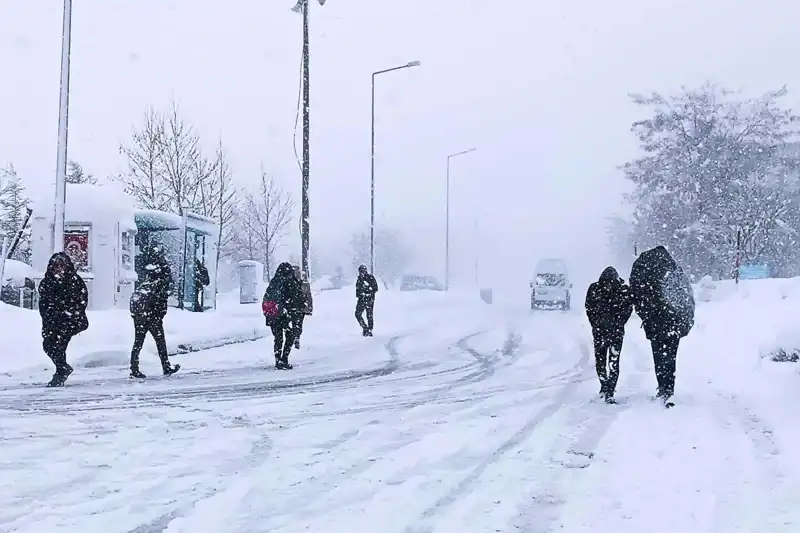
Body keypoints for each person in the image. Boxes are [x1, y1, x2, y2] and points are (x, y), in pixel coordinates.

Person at [629, 245, 695, 406]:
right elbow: (687, 297)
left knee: (658, 356)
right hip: (674, 324)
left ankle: (662, 386)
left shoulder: (646, 273)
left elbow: (637, 297)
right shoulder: (674, 271)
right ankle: (669, 389)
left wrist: (646, 316)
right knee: (670, 357)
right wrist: (685, 321)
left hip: (655, 324)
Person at [37, 252, 89, 387]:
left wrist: (71, 313)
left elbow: (82, 300)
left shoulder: (74, 281)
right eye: (56, 266)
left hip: (70, 321)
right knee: (48, 345)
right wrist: (48, 317)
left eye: (62, 266)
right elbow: (43, 303)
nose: (59, 269)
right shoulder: (47, 282)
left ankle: (60, 373)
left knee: (59, 345)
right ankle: (62, 368)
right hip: (52, 321)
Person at [129, 246, 180, 379]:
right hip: (152, 317)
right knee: (160, 342)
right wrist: (159, 315)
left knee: (138, 342)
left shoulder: (147, 281)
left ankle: (134, 368)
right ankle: (166, 366)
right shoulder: (160, 282)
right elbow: (160, 300)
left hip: (141, 316)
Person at [585, 266, 633, 403]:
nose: (607, 286)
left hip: (615, 333)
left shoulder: (623, 291)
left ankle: (610, 391)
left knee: (613, 362)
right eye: (605, 283)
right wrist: (596, 324)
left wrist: (619, 323)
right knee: (600, 362)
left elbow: (628, 309)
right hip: (599, 332)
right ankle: (604, 385)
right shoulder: (594, 289)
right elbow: (589, 308)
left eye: (610, 283)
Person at [262, 262, 304, 369]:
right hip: (284, 314)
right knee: (290, 336)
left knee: (278, 338)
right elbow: (294, 298)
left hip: (273, 314)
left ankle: (277, 360)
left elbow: (267, 298)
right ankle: (284, 359)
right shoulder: (289, 281)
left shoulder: (274, 281)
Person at [291, 265, 314, 349]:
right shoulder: (304, 284)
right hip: (299, 307)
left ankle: (295, 336)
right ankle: (296, 336)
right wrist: (309, 308)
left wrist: (309, 308)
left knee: (295, 323)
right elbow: (308, 296)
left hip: (294, 307)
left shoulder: (291, 283)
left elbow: (308, 296)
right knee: (298, 323)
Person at [355, 264, 378, 336]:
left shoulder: (370, 278)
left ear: (365, 271)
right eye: (360, 271)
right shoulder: (359, 279)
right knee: (358, 314)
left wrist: (367, 292)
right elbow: (357, 291)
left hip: (369, 299)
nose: (361, 273)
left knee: (369, 315)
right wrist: (360, 294)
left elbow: (375, 288)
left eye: (363, 271)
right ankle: (365, 328)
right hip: (362, 300)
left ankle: (370, 330)